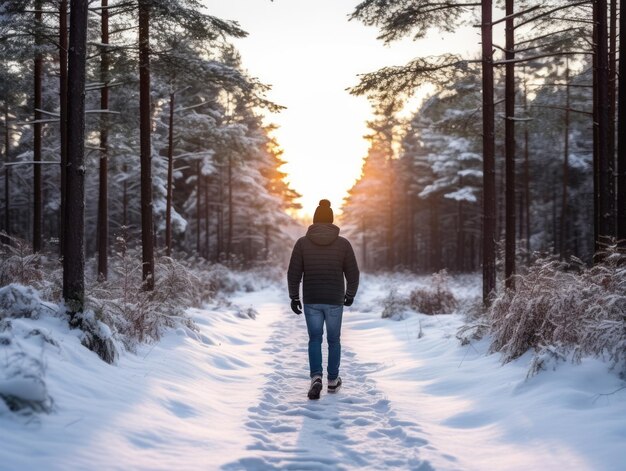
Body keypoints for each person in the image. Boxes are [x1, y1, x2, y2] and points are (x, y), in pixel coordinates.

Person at [287, 199, 360, 400]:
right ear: (331, 220)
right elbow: (353, 274)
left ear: (314, 220)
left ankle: (316, 377)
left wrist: (294, 297)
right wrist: (350, 295)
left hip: (312, 299)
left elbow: (293, 273)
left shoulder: (302, 243)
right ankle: (333, 381)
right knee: (334, 340)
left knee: (315, 339)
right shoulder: (343, 244)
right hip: (335, 299)